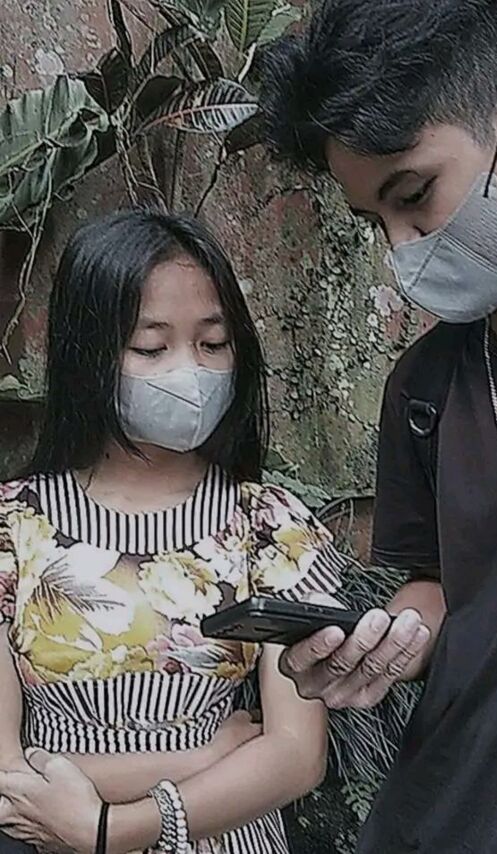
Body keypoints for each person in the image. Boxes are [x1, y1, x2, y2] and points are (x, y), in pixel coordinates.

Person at [259, 0, 497, 852]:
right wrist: (390, 642)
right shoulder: (424, 387)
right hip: (446, 818)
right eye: (375, 222)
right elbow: (437, 582)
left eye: (414, 195)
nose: (402, 250)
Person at [0, 211, 348, 853]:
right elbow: (7, 777)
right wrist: (201, 758)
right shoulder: (11, 528)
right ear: (86, 354)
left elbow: (297, 756)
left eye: (212, 344)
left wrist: (106, 826)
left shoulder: (269, 526)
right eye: (151, 348)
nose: (189, 371)